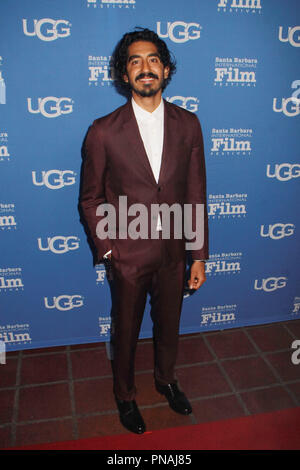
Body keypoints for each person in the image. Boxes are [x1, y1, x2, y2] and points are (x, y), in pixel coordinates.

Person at [80, 28, 208, 434]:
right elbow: (90, 199)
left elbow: (195, 193)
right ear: (123, 75)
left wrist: (198, 255)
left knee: (169, 326)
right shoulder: (102, 130)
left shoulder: (189, 124)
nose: (145, 67)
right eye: (134, 61)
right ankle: (125, 394)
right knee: (127, 331)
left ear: (166, 68)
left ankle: (166, 380)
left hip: (174, 252)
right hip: (128, 255)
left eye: (152, 59)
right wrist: (109, 249)